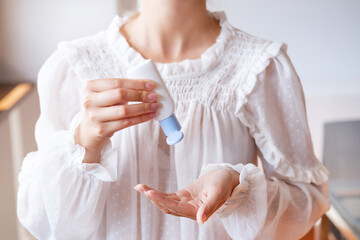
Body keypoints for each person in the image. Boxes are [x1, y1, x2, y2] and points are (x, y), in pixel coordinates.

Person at [17, 0, 330, 239]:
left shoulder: (260, 68)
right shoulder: (73, 68)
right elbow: (45, 222)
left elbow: (307, 202)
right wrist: (85, 142)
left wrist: (238, 188)